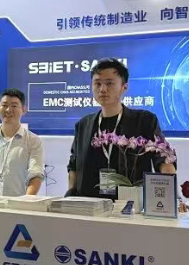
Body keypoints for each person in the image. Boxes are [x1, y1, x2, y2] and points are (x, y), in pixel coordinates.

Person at [67, 59, 176, 199]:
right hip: (88, 204)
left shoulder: (144, 120)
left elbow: (163, 158)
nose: (102, 89)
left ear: (124, 87)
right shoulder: (83, 125)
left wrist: (172, 197)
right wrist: (71, 196)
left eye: (109, 83)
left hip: (129, 205)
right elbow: (73, 166)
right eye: (97, 83)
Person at [0, 88, 44, 198]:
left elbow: (36, 175)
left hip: (17, 205)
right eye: (4, 105)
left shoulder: (33, 141)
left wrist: (24, 203)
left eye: (14, 106)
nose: (8, 110)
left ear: (23, 110)